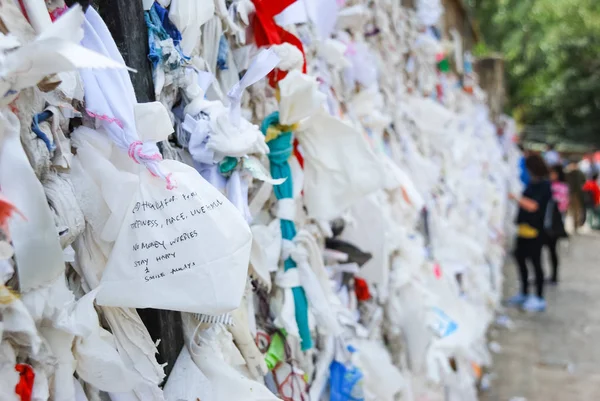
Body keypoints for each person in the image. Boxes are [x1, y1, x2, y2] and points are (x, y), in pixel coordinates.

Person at [506, 154, 552, 312]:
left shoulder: (544, 185)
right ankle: (524, 292)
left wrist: (516, 198)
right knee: (520, 260)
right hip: (524, 229)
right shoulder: (533, 183)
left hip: (535, 231)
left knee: (536, 264)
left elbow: (534, 206)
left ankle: (539, 297)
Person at [545, 165, 569, 284]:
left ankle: (554, 275)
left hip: (554, 224)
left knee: (553, 250)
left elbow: (562, 205)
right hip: (548, 222)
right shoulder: (549, 185)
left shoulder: (561, 187)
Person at [565, 162, 587, 231]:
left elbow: (584, 182)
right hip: (570, 193)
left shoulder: (579, 173)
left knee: (576, 210)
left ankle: (576, 225)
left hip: (576, 194)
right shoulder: (568, 172)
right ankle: (574, 225)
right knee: (571, 210)